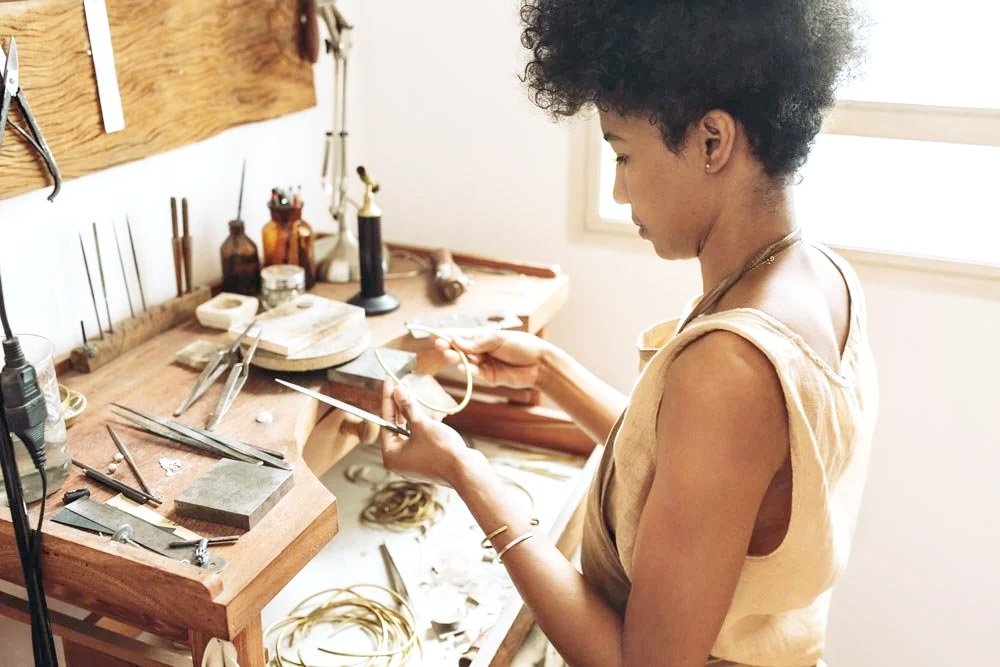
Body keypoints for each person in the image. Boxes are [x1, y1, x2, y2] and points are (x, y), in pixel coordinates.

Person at [379, 1, 876, 665]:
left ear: (712, 141)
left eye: (622, 155)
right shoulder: (817, 274)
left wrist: (464, 468)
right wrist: (549, 370)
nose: (618, 192)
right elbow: (697, 477)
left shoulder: (731, 367)